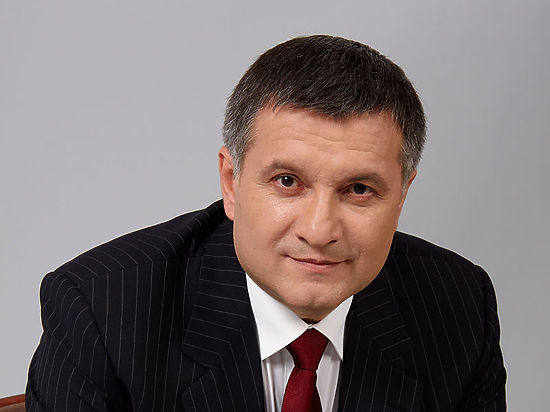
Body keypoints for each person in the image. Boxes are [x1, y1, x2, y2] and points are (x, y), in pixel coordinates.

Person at [25, 35, 506, 411]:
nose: (319, 231)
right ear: (231, 183)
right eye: (288, 181)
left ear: (401, 196)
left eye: (359, 189)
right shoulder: (102, 309)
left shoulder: (460, 306)